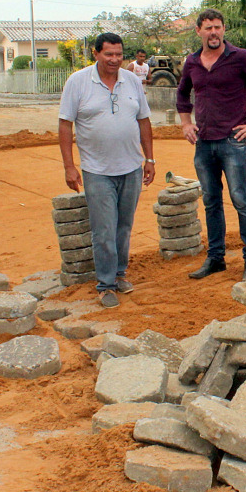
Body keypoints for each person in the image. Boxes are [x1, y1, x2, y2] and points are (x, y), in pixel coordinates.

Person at [177, 8, 246, 281]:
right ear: (198, 31)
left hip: (232, 142)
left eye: (218, 27)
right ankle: (216, 258)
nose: (213, 32)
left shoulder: (240, 58)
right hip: (203, 143)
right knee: (211, 201)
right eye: (208, 27)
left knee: (241, 199)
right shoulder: (192, 62)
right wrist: (186, 124)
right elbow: (182, 94)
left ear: (224, 30)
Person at [59, 32, 155, 308]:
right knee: (103, 229)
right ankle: (105, 284)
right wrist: (69, 166)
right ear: (96, 53)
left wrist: (150, 159)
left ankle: (119, 274)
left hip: (131, 168)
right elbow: (65, 125)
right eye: (108, 54)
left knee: (124, 228)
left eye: (118, 54)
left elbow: (144, 121)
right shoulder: (78, 82)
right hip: (96, 170)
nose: (114, 59)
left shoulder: (133, 82)